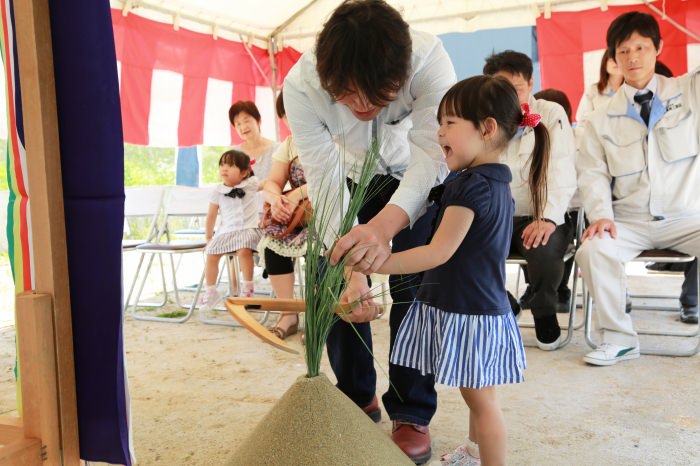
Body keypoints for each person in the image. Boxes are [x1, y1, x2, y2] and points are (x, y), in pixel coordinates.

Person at [283, 0, 456, 462]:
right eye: (347, 95)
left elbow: (432, 153)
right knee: (332, 280)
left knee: (417, 284)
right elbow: (321, 174)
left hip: (414, 176)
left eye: (376, 96)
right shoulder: (300, 85)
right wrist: (350, 268)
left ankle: (411, 409)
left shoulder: (429, 59)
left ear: (401, 72)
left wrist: (384, 227)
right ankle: (358, 394)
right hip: (348, 178)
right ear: (325, 74)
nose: (361, 107)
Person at [370, 75, 548, 466]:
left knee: (481, 401)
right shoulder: (490, 181)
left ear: (486, 128)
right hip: (474, 304)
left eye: (450, 122)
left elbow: (437, 252)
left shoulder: (472, 187)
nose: (440, 132)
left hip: (472, 310)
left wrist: (381, 263)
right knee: (478, 395)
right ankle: (472, 451)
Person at [576, 11, 700, 366]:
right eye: (624, 50)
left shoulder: (690, 92)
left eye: (641, 47)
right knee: (593, 251)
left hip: (686, 215)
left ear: (658, 48)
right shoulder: (601, 117)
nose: (633, 58)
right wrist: (600, 214)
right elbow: (592, 173)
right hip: (629, 221)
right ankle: (618, 339)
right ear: (613, 58)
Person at [483, 51, 577, 350]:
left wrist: (547, 217)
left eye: (518, 88)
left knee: (545, 252)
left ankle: (544, 311)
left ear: (531, 83)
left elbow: (561, 168)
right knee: (461, 248)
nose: (510, 97)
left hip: (540, 212)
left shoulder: (550, 114)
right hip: (497, 214)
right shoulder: (484, 117)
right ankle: (505, 302)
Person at [257, 91, 309, 339]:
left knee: (323, 246)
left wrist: (297, 194)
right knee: (272, 242)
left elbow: (336, 178)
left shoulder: (333, 137)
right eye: (286, 115)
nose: (293, 119)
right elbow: (272, 181)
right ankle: (288, 313)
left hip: (328, 213)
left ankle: (323, 315)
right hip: (296, 216)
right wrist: (276, 199)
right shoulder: (288, 144)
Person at [199, 150, 263, 315]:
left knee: (243, 250)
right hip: (227, 231)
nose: (224, 169)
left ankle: (248, 289)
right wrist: (208, 237)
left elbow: (269, 183)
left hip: (249, 229)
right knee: (212, 253)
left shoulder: (251, 184)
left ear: (243, 172)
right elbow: (211, 215)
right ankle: (211, 291)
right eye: (222, 165)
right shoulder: (217, 191)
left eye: (230, 165)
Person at [575, 49, 624, 136]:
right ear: (604, 64)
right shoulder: (593, 90)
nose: (616, 63)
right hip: (599, 140)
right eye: (611, 59)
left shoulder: (632, 90)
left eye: (619, 59)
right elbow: (582, 121)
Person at [228, 100, 279, 183]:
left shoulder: (277, 149)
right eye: (238, 124)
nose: (243, 127)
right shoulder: (234, 154)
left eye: (246, 121)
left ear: (258, 121)